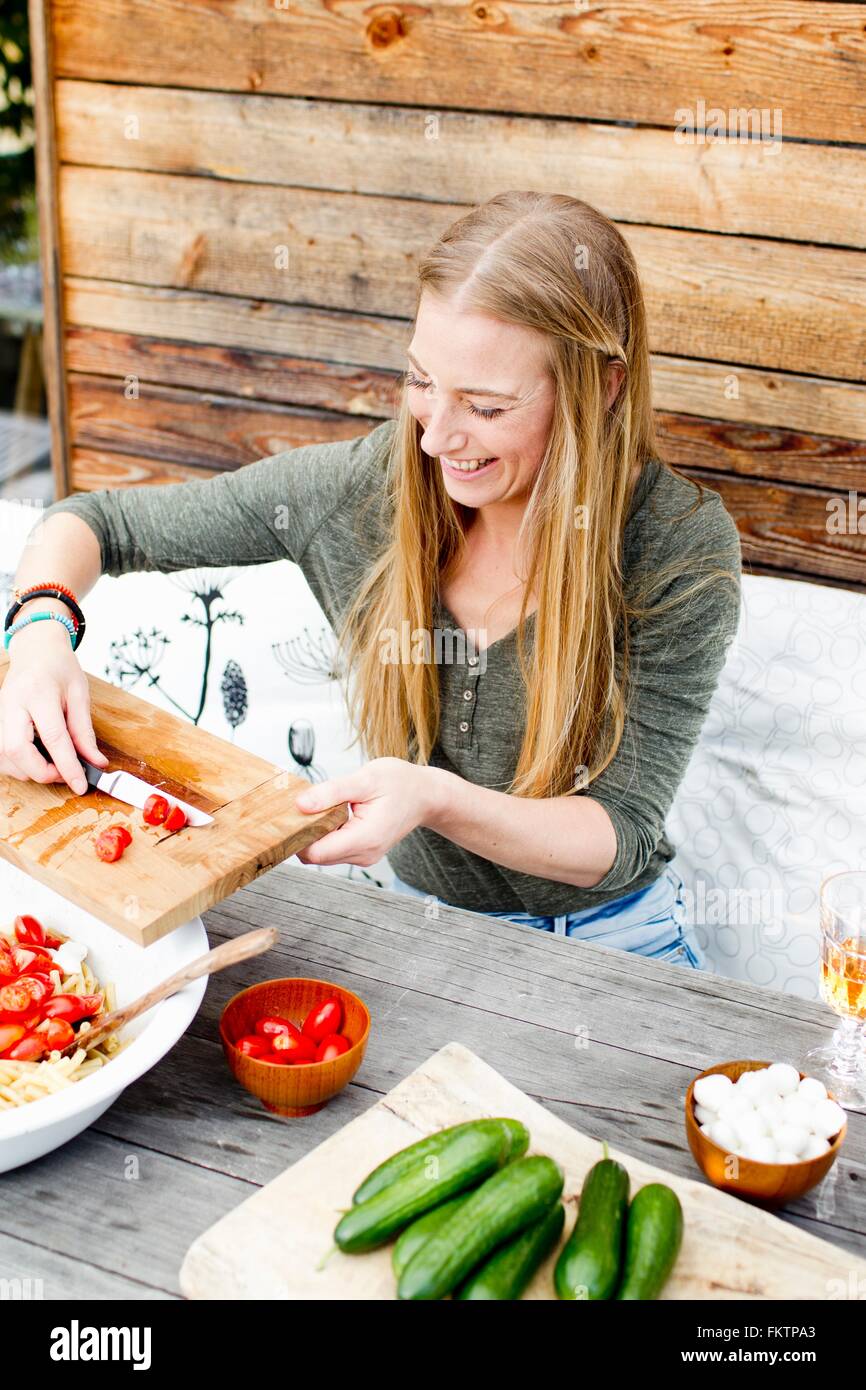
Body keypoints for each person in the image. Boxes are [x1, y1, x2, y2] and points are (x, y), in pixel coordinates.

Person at [1, 191, 741, 969]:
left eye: (486, 407)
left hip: (614, 946)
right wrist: (40, 637)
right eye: (423, 381)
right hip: (422, 936)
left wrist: (434, 797)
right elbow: (97, 525)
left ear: (605, 386)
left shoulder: (675, 545)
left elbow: (619, 835)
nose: (435, 436)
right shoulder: (363, 490)